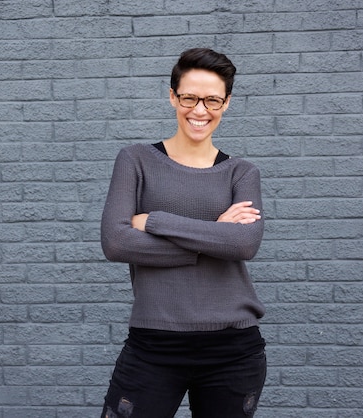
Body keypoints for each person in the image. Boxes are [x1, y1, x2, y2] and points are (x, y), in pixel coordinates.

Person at [100, 48, 266, 418]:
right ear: (173, 96)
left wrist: (154, 221)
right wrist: (212, 237)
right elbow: (115, 241)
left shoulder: (241, 173)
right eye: (189, 97)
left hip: (233, 348)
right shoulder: (136, 160)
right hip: (153, 345)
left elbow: (243, 242)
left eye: (212, 100)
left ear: (227, 103)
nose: (200, 110)